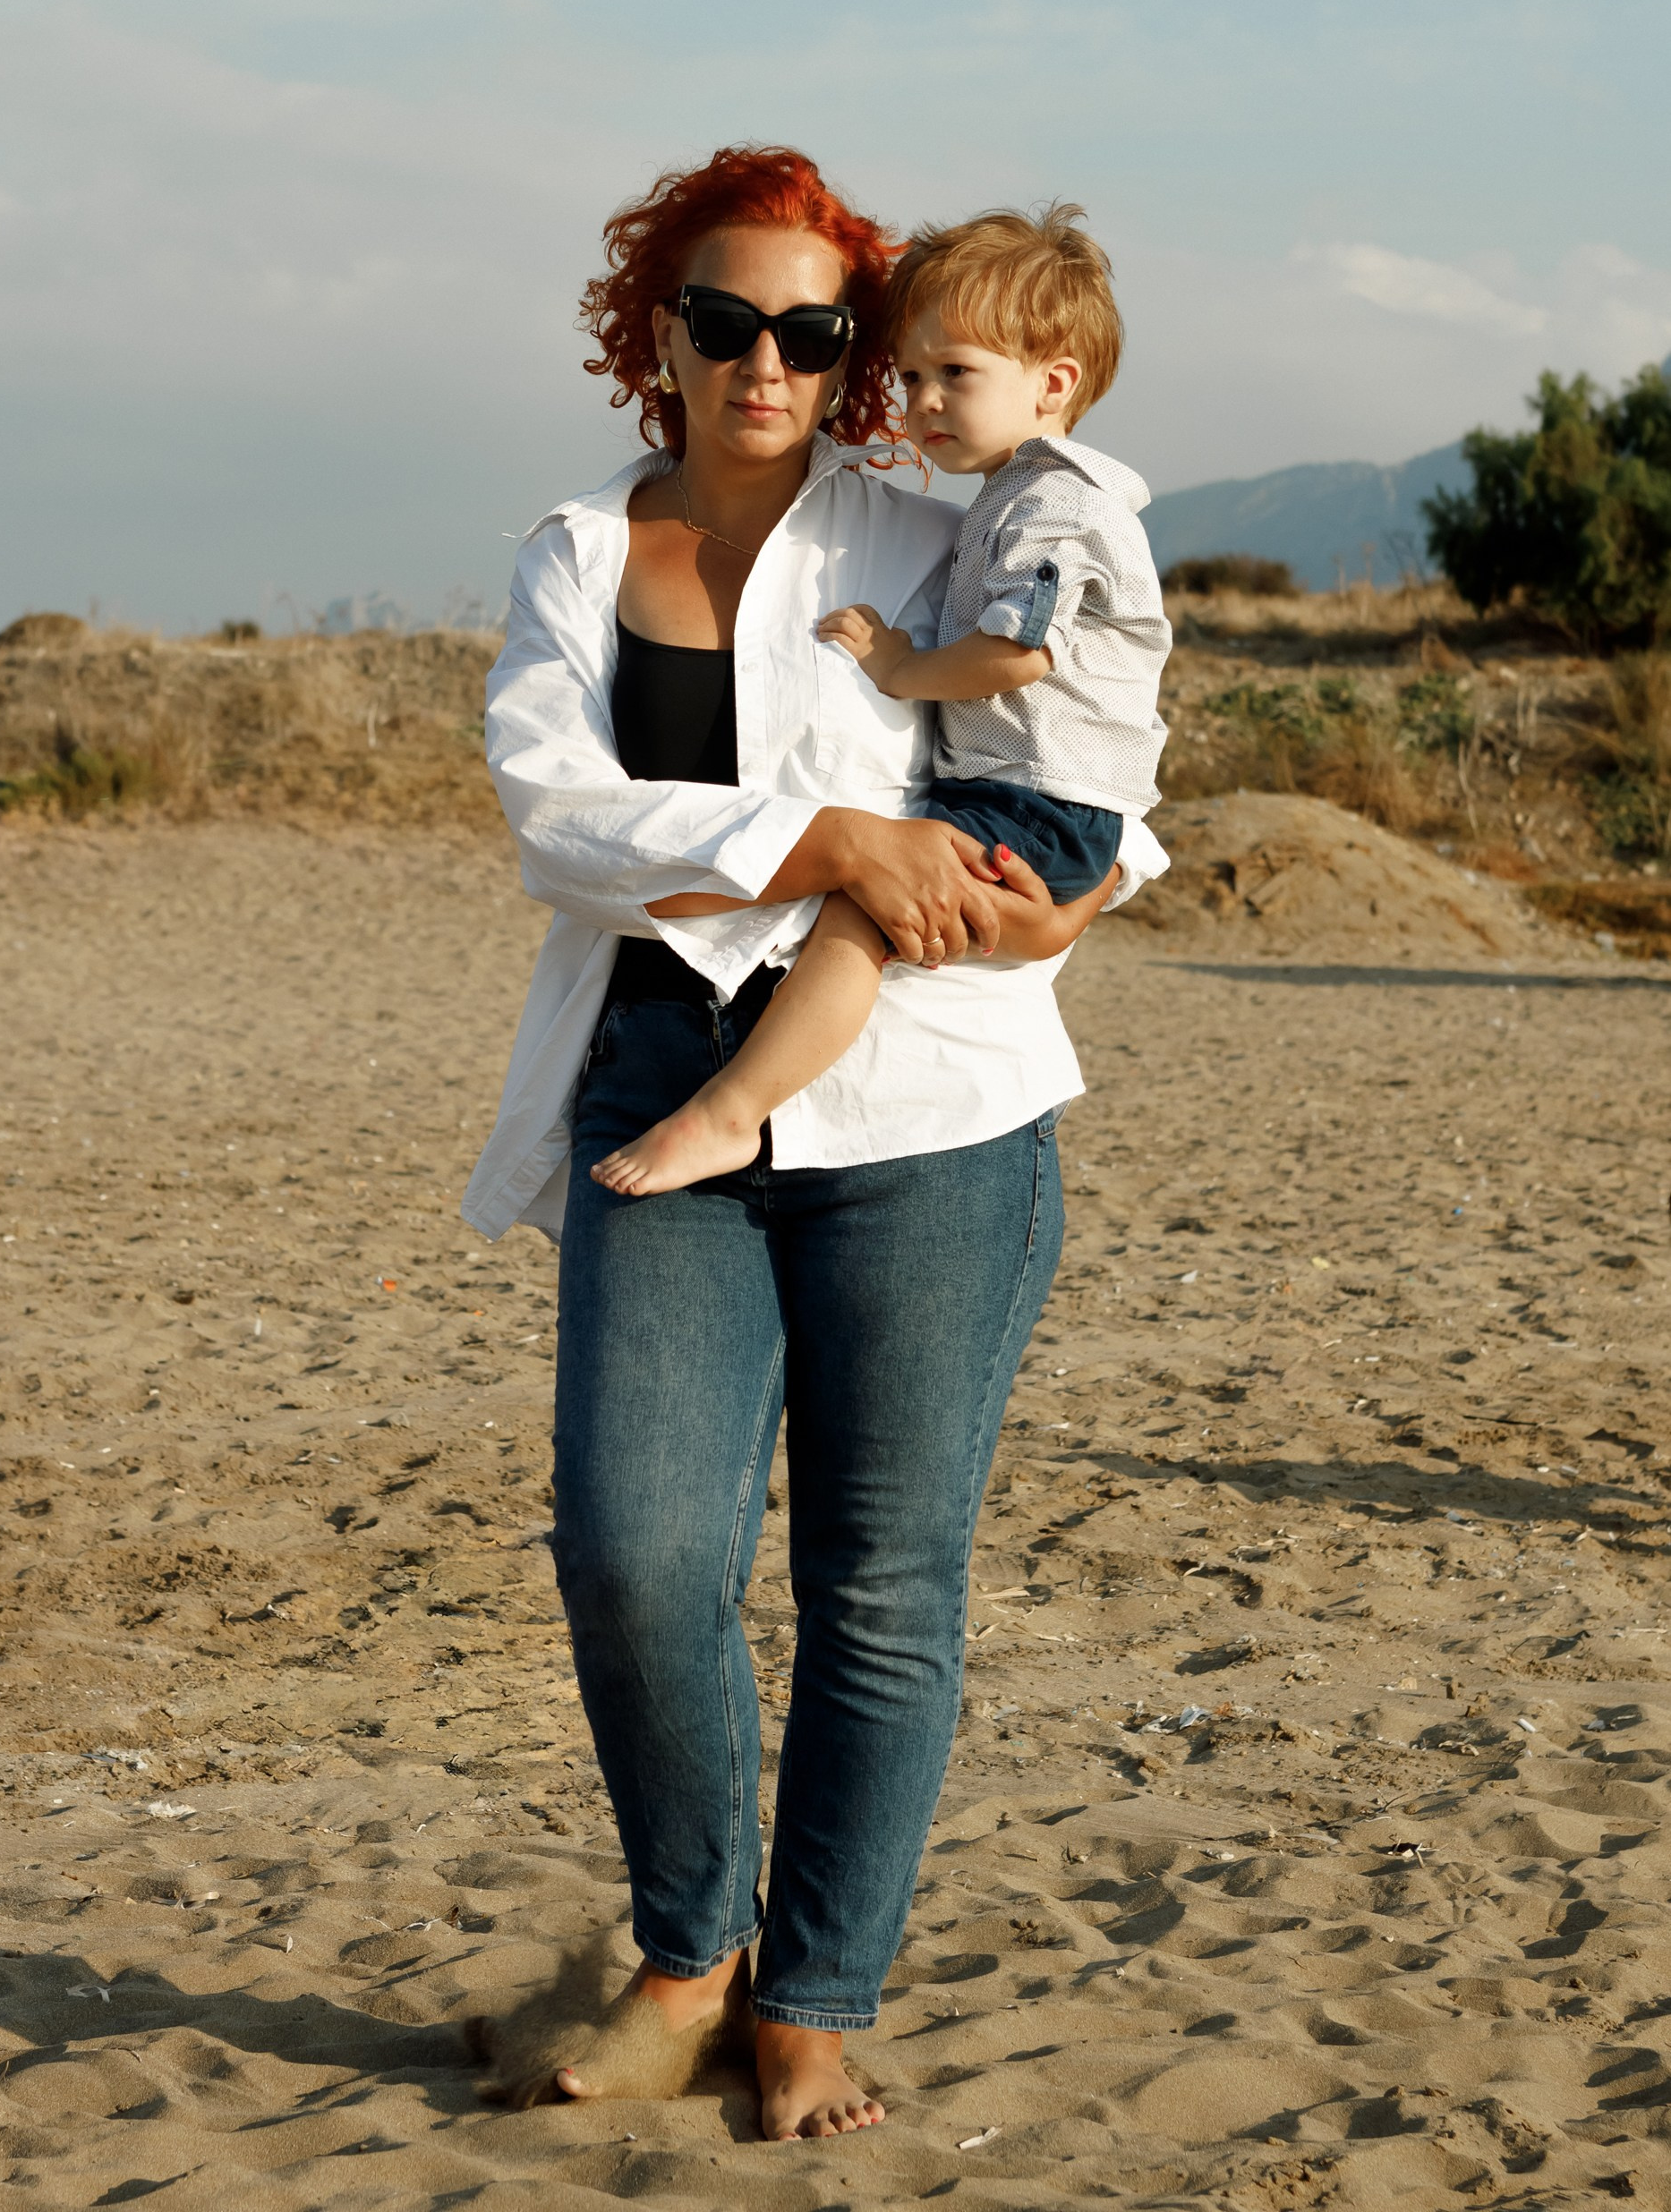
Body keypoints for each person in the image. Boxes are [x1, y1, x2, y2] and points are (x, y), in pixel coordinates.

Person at [461, 145, 1166, 2143]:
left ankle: (814, 1993)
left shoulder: (941, 524)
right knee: (632, 1543)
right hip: (659, 1073)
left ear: (852, 355)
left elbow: (1090, 726)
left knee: (881, 1580)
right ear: (652, 337)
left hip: (932, 1090)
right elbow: (551, 813)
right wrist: (817, 841)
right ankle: (691, 1952)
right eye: (720, 320)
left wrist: (1084, 894)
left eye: (810, 329)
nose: (762, 358)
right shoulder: (576, 554)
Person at [590, 204, 1170, 1199]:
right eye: (909, 376)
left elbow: (1016, 654)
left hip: (1038, 800)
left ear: (1055, 382)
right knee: (873, 894)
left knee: (863, 915)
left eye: (957, 374)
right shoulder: (1013, 496)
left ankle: (732, 1110)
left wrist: (901, 666)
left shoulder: (1051, 507)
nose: (925, 401)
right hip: (1039, 793)